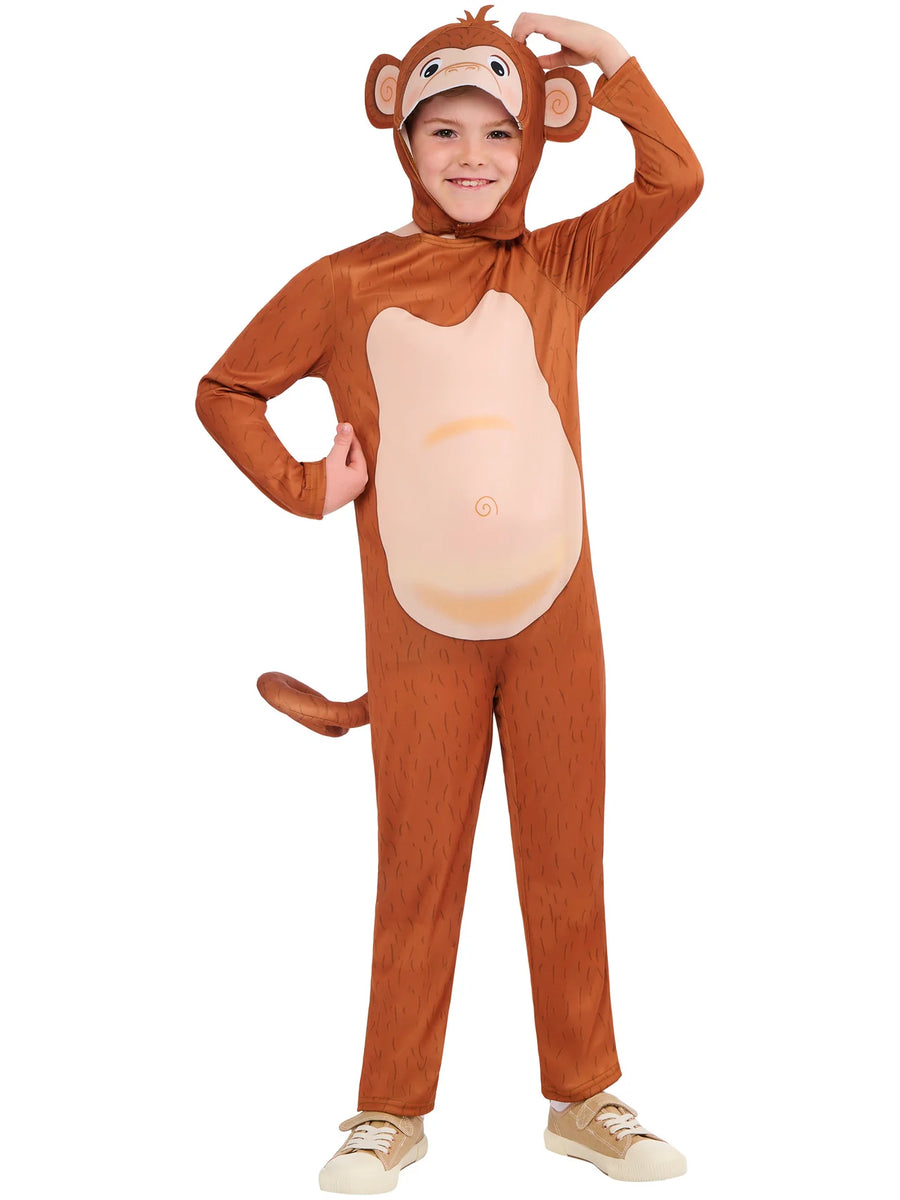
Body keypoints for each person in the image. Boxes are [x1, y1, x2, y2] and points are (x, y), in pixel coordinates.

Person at [195, 6, 703, 1193]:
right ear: (402, 131)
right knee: (418, 864)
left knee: (566, 861)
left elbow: (676, 180)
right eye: (444, 130)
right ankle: (388, 1111)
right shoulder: (348, 281)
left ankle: (585, 1096)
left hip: (558, 629)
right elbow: (227, 388)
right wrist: (306, 485)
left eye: (498, 131)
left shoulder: (560, 264)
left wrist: (614, 61)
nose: (472, 155)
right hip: (419, 636)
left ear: (541, 135)